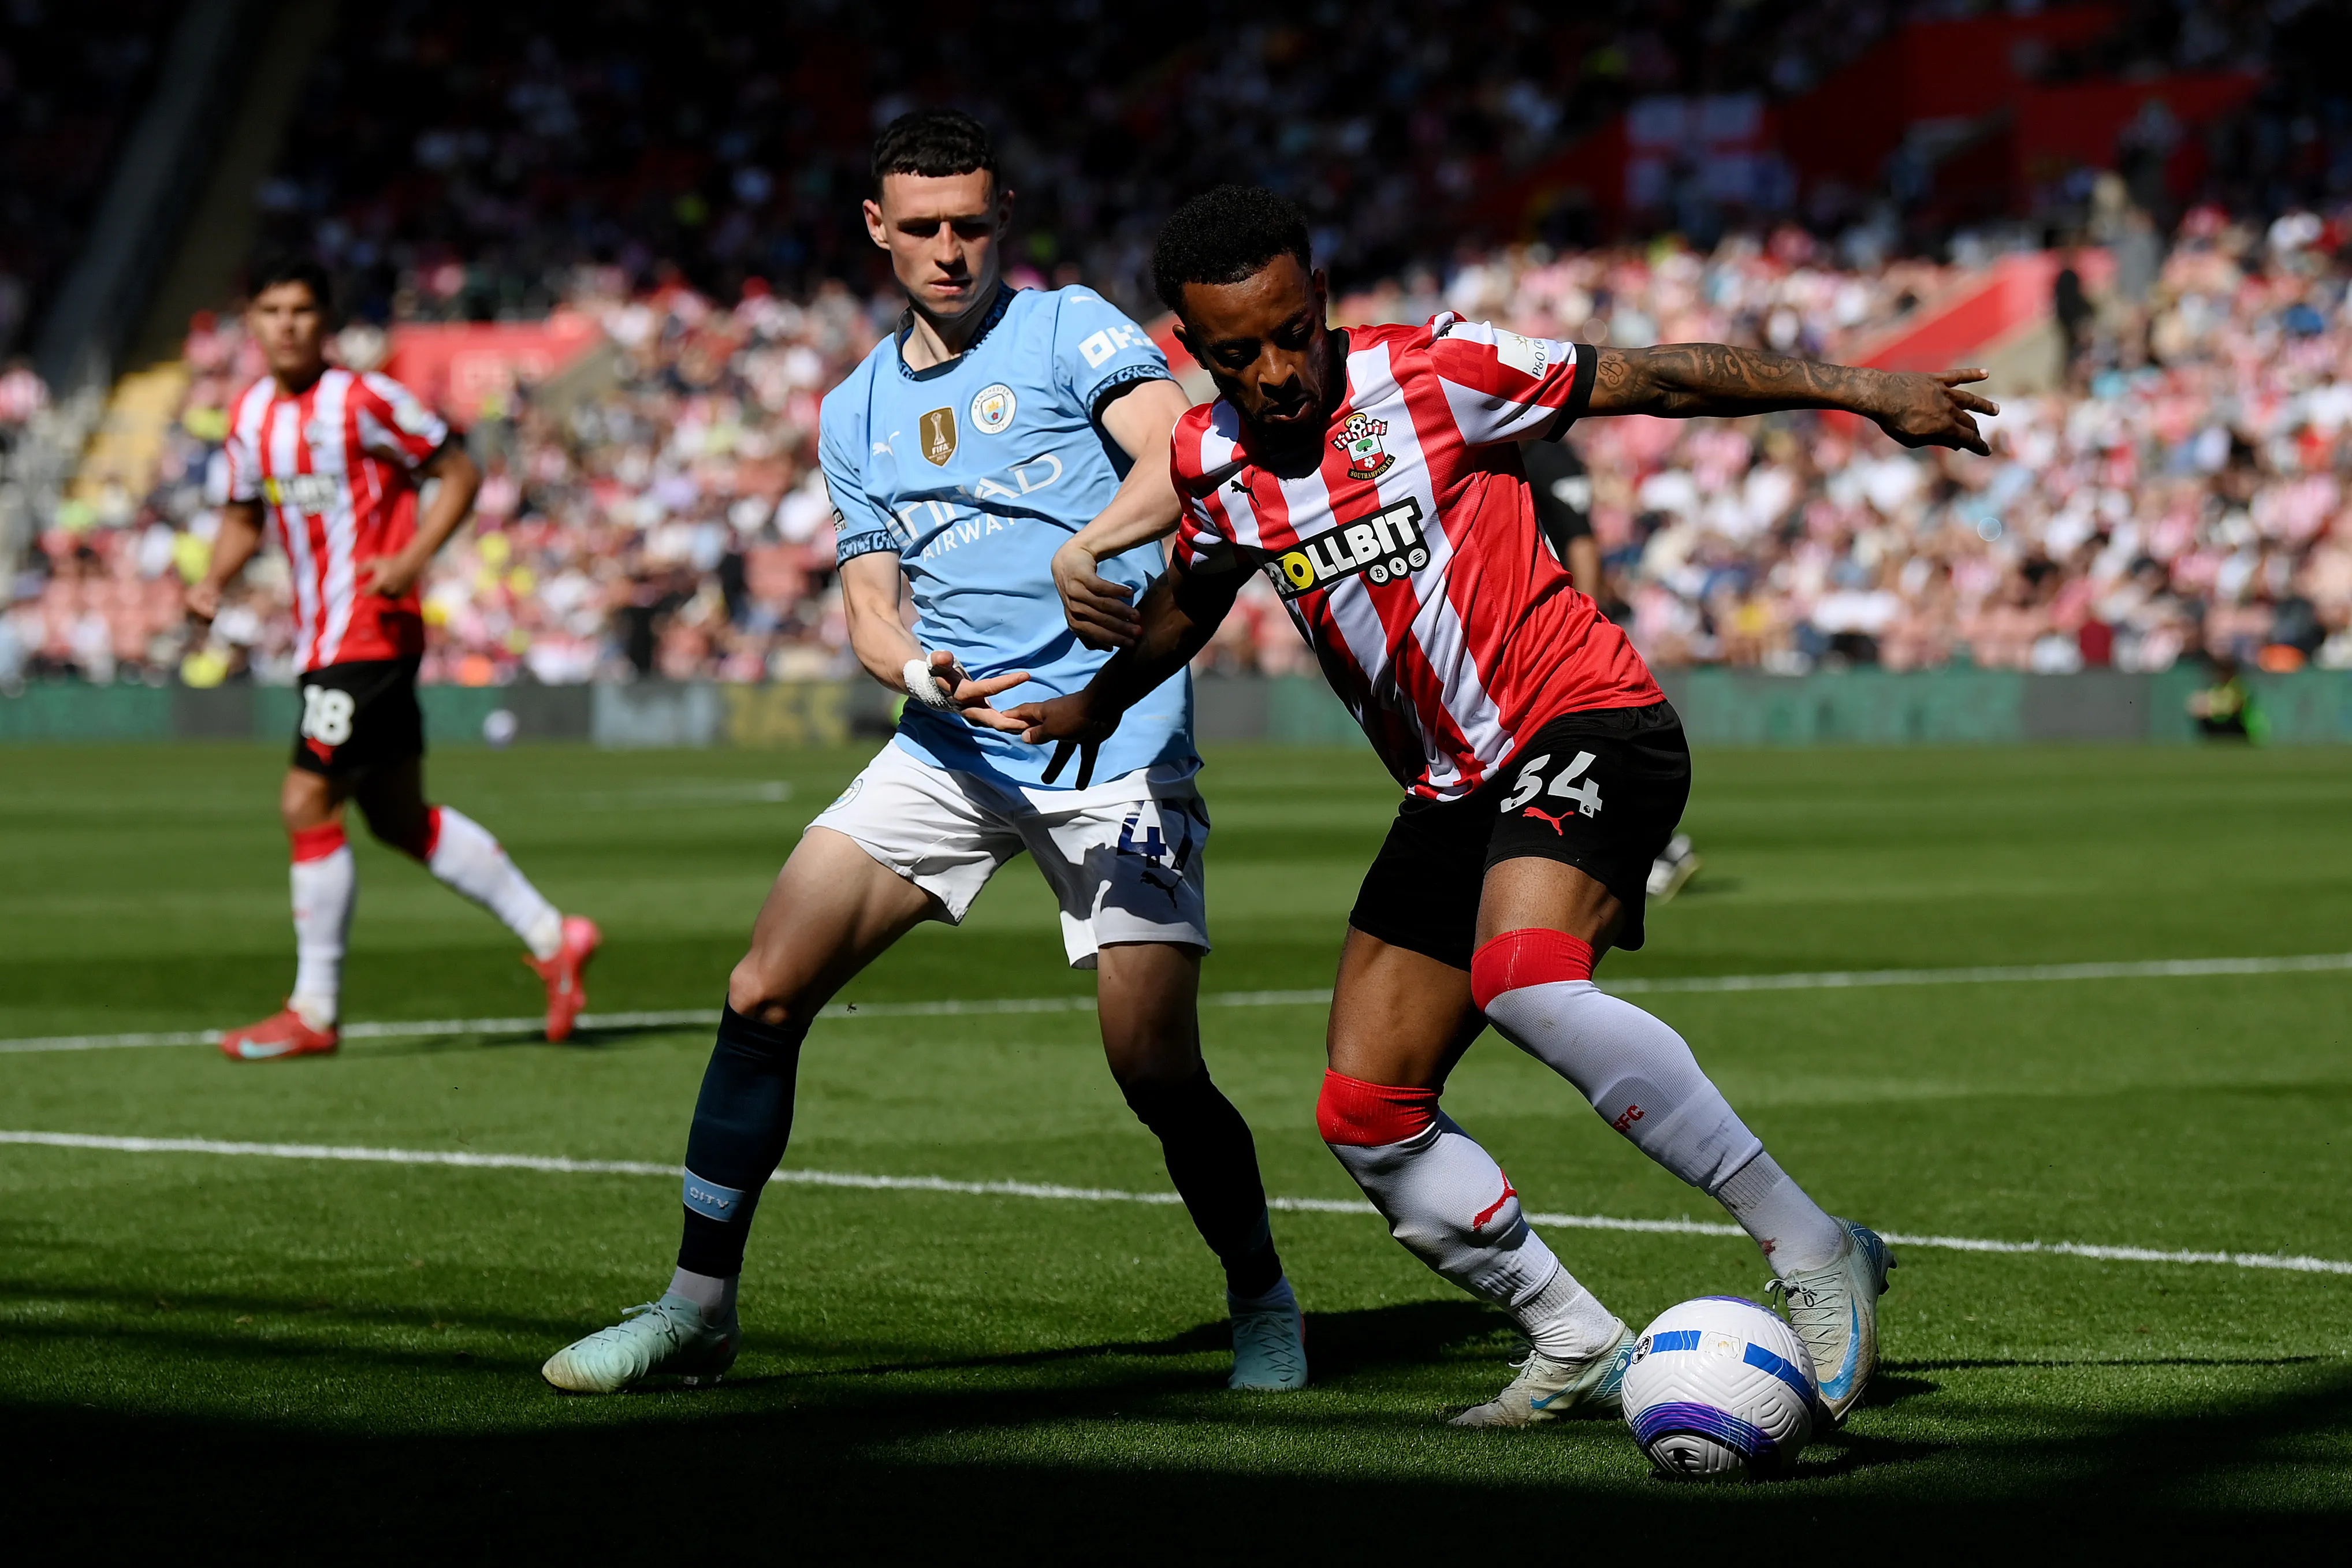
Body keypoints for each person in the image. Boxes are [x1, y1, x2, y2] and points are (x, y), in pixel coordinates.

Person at [1013, 185, 1997, 1428]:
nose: (1272, 372)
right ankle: (1571, 1335)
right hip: (1449, 789)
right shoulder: (1210, 463)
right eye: (1234, 354)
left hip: (1585, 720)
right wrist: (1094, 701)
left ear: (1321, 301)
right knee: (1364, 1110)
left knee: (1524, 977)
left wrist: (1864, 389)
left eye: (1288, 335)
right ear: (1191, 353)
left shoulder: (1440, 370)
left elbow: (1659, 379)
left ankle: (1813, 1250)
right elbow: (1195, 598)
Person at [541, 114, 1305, 1395]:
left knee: (1152, 1067)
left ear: (1000, 216)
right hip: (947, 745)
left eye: (971, 224)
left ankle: (1261, 1294)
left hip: (1112, 739)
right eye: (925, 227)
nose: (951, 250)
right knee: (762, 989)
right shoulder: (857, 407)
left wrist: (1083, 549)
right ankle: (696, 1309)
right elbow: (866, 598)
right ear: (876, 230)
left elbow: (1187, 455)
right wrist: (907, 667)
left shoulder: (1068, 328)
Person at [188, 259, 600, 1062]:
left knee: (307, 800)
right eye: (271, 310)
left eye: (301, 309)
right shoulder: (249, 415)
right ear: (253, 323)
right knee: (397, 815)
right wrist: (211, 579)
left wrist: (412, 558)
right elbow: (243, 515)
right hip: (323, 638)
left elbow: (459, 469)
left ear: (324, 321)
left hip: (368, 632)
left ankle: (313, 1009)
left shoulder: (365, 398)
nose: (286, 325)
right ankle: (555, 935)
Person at [1521, 440, 1700, 904]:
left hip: (1556, 625)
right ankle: (1661, 848)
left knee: (1561, 748)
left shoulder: (1544, 456)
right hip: (1545, 622)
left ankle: (1658, 848)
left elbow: (1579, 538)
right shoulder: (1543, 453)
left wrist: (1579, 620)